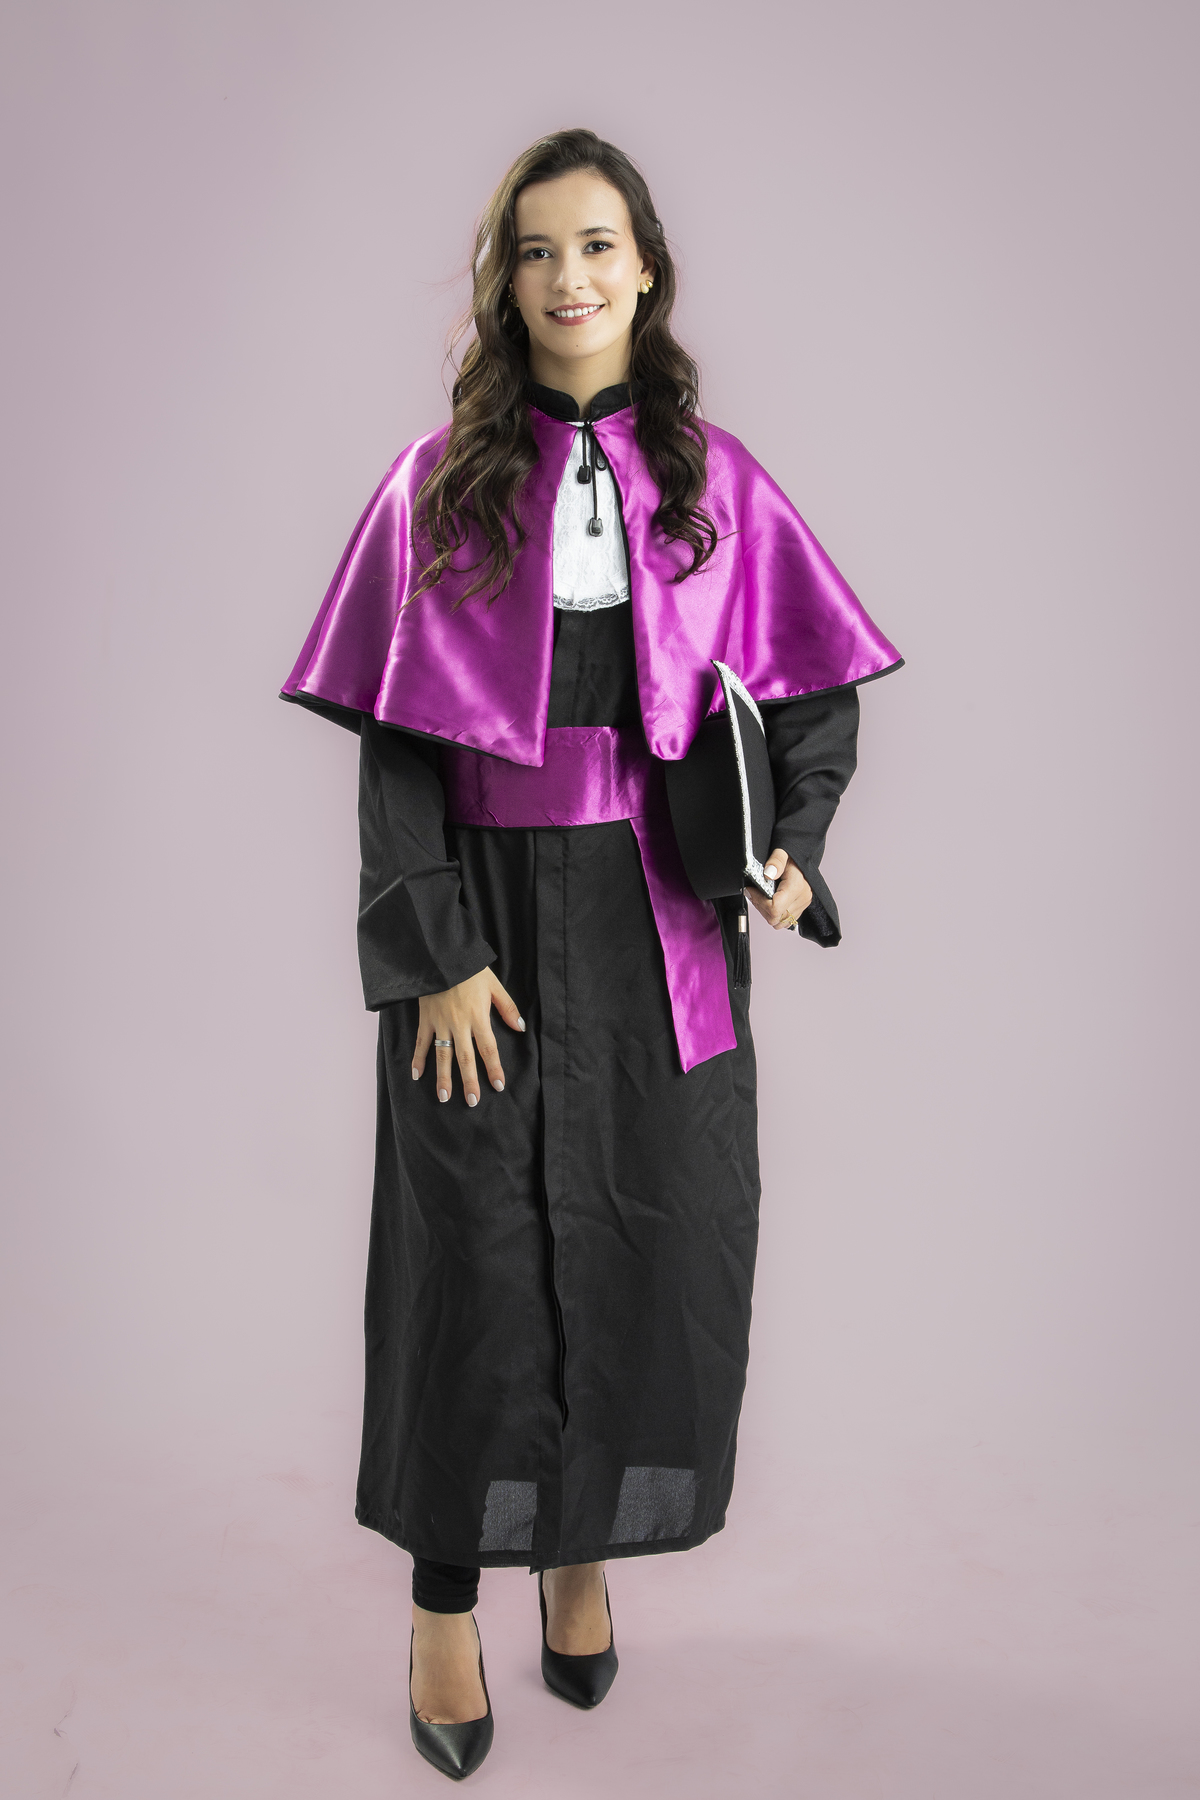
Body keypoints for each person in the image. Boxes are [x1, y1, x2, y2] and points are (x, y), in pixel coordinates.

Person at [282, 127, 900, 1781]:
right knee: (473, 1264)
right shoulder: (435, 491)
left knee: (648, 1239)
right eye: (540, 249)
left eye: (600, 244)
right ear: (508, 281)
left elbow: (811, 708)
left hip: (657, 922)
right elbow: (395, 755)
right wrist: (432, 951)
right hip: (479, 921)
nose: (571, 277)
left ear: (648, 270)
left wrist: (788, 850)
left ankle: (579, 1554)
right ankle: (442, 1602)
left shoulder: (716, 487)